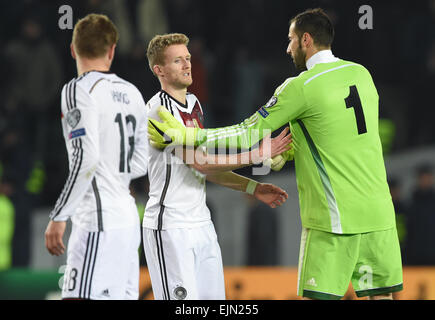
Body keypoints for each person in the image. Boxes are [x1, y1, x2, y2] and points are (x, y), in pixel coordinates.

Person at [148, 9, 403, 300]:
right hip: (379, 213)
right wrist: (294, 150)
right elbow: (345, 130)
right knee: (381, 297)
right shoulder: (362, 74)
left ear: (306, 40)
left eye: (291, 40)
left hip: (335, 219)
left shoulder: (300, 86)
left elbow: (247, 132)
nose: (287, 48)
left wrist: (188, 135)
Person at [144, 33, 290, 300]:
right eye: (178, 60)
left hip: (202, 223)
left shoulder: (194, 104)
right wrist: (256, 154)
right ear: (159, 70)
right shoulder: (158, 110)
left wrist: (252, 187)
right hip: (171, 227)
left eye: (188, 58)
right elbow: (202, 164)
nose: (188, 65)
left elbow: (208, 169)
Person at [44, 14, 148, 300]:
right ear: (112, 50)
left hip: (97, 221)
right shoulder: (133, 93)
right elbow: (141, 162)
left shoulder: (78, 89)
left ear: (73, 49)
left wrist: (59, 215)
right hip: (127, 222)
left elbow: (85, 159)